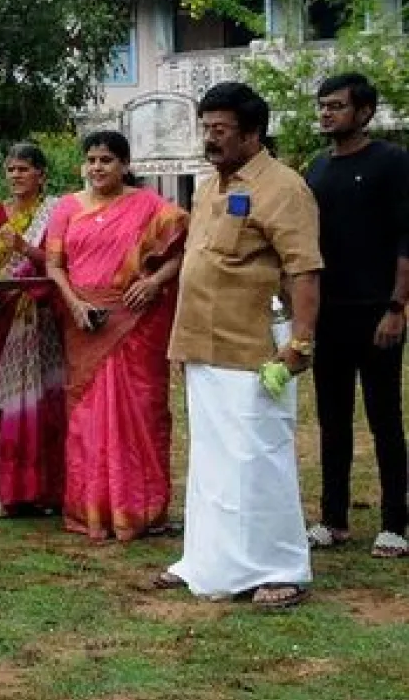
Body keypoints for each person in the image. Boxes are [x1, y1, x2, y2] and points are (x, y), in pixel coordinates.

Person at [157, 82, 321, 609]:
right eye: (206, 128)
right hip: (203, 346)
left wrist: (299, 344)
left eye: (221, 130)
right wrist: (181, 343)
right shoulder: (209, 188)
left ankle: (282, 568)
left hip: (256, 348)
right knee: (212, 460)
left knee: (259, 457)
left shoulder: (284, 187)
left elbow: (304, 272)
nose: (210, 139)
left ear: (252, 133)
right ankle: (209, 562)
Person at [46, 131, 187, 542]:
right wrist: (74, 305)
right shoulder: (67, 208)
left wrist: (156, 281)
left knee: (140, 411)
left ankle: (140, 507)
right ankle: (91, 508)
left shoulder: (148, 206)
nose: (97, 167)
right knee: (87, 416)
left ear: (124, 165)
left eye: (106, 159)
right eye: (90, 160)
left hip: (135, 322)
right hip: (84, 321)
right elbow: (56, 266)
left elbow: (181, 248)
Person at [303, 73, 409, 558]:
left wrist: (396, 306)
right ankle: (333, 518)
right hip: (330, 313)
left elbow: (406, 240)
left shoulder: (391, 162)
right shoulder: (316, 169)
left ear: (364, 112)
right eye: (323, 106)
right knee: (332, 419)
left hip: (377, 312)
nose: (327, 113)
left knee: (384, 418)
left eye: (337, 106)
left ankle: (395, 524)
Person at [0, 143, 67, 518]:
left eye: (24, 169)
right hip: (8, 317)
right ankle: (13, 494)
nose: (16, 175)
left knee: (50, 404)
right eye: (11, 169)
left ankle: (51, 491)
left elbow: (63, 262)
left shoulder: (59, 213)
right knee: (10, 403)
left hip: (47, 321)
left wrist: (25, 248)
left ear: (41, 175)